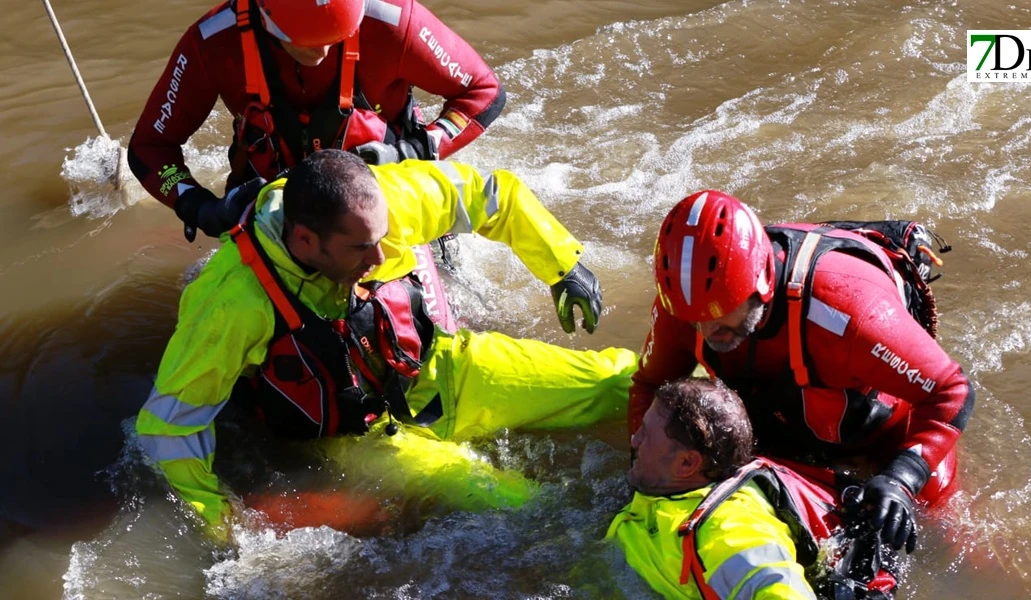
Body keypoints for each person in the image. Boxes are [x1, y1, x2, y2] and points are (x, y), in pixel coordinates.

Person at [136, 150, 627, 538]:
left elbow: (490, 194)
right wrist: (221, 522)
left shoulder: (384, 200)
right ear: (305, 241)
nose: (380, 255)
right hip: (359, 437)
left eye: (383, 238)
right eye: (360, 247)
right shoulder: (233, 301)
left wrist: (563, 265)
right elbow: (169, 426)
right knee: (511, 501)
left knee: (622, 381)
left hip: (442, 371)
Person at [631, 190, 976, 554]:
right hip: (784, 428)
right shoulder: (684, 304)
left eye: (719, 316)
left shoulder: (849, 312)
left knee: (950, 534)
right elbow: (648, 385)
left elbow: (952, 391)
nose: (703, 330)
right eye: (693, 319)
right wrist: (642, 474)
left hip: (881, 434)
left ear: (761, 283)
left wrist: (903, 477)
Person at [128, 0, 506, 241]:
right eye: (305, 40)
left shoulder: (394, 20)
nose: (323, 51)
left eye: (337, 36)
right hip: (272, 212)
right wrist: (198, 206)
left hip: (384, 191)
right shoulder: (213, 41)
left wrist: (415, 148)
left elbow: (484, 92)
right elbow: (150, 147)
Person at [608, 377, 818, 600]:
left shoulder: (730, 527)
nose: (634, 440)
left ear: (687, 463)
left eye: (646, 434)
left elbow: (785, 590)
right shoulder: (666, 488)